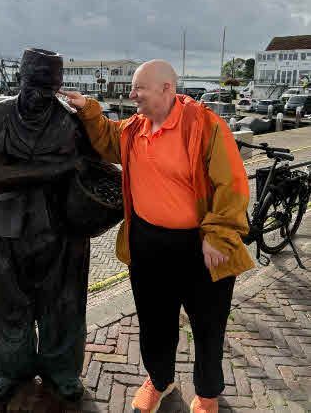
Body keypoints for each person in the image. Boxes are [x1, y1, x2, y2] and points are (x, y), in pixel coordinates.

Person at [60, 60, 255, 413]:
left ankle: (207, 394)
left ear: (167, 89)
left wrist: (218, 234)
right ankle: (160, 380)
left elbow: (233, 184)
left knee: (208, 327)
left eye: (139, 88)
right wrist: (87, 108)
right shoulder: (134, 128)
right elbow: (106, 138)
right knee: (154, 323)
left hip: (200, 247)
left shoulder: (205, 126)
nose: (132, 95)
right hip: (147, 245)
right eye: (132, 88)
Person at [0, 48, 92, 405]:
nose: (41, 95)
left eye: (49, 88)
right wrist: (58, 168)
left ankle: (62, 370)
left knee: (64, 305)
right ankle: (10, 370)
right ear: (20, 80)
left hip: (61, 229)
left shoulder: (70, 121)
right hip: (4, 229)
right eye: (34, 86)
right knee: (5, 306)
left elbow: (89, 167)